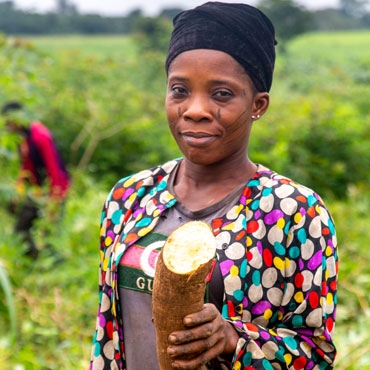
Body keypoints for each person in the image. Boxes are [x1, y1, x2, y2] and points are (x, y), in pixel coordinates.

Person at [89, 2, 338, 369]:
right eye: (179, 90)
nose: (195, 110)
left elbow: (316, 354)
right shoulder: (129, 196)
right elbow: (108, 330)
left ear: (258, 104)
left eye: (221, 94)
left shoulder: (294, 212)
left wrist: (231, 338)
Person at [2, 101, 70, 258]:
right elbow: (26, 167)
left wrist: (55, 200)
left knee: (50, 232)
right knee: (21, 228)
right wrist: (17, 191)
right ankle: (36, 259)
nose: (8, 126)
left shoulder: (40, 135)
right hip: (38, 190)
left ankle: (53, 266)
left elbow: (54, 170)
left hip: (56, 189)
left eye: (9, 121)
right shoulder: (22, 137)